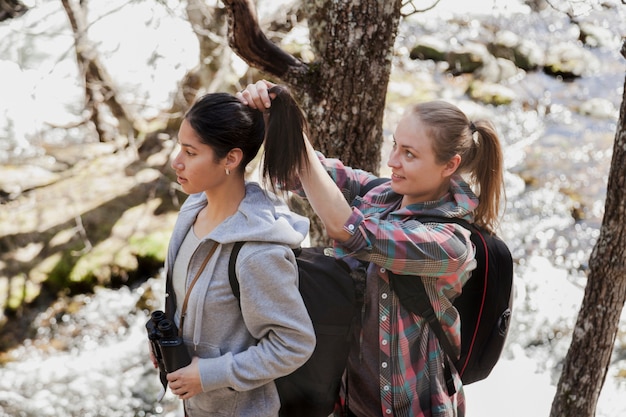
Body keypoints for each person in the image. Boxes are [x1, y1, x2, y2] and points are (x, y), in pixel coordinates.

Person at [238, 80, 505, 417]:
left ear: (449, 166)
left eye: (409, 154)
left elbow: (351, 231)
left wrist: (290, 122)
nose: (392, 161)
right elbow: (300, 171)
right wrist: (273, 115)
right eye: (395, 145)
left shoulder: (448, 244)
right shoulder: (380, 193)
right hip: (350, 401)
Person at [155, 89, 316, 417]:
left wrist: (209, 375)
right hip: (198, 408)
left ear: (230, 159)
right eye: (179, 147)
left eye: (190, 152)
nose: (176, 161)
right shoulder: (193, 209)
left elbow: (294, 344)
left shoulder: (257, 252)